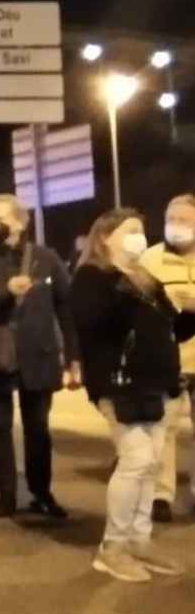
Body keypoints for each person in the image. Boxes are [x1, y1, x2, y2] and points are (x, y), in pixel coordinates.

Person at [70, 208, 195, 582]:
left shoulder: (146, 277)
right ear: (105, 237)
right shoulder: (92, 278)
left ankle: (139, 540)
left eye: (142, 229)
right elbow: (96, 322)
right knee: (136, 460)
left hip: (157, 382)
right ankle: (113, 547)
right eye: (131, 230)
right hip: (119, 383)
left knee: (153, 462)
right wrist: (134, 292)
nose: (140, 236)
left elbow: (174, 329)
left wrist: (188, 308)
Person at [0, 194, 78, 520]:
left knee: (37, 428)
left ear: (20, 223)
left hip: (38, 353)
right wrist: (5, 292)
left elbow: (66, 307)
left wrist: (73, 358)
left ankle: (41, 493)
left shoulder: (45, 258)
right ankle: (6, 496)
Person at [139, 194, 195, 523]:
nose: (176, 227)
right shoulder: (150, 259)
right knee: (164, 430)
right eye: (171, 219)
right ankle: (161, 494)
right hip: (166, 359)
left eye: (184, 221)